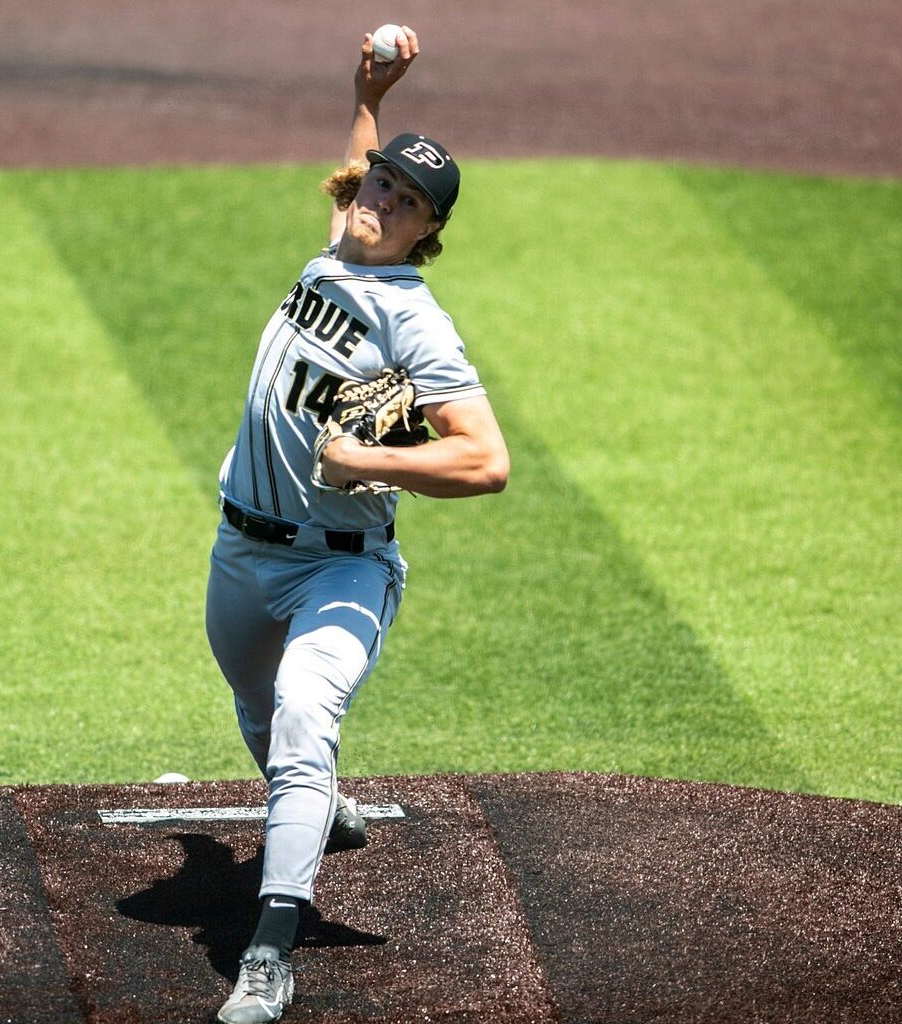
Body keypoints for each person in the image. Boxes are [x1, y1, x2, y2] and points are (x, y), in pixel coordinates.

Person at [206, 25, 510, 1024]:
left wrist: (369, 460)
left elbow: (484, 457)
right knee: (257, 711)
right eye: (376, 183)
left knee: (300, 718)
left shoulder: (413, 318)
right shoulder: (343, 244)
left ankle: (267, 948)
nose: (374, 201)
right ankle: (317, 810)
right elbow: (351, 178)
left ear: (428, 229)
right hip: (242, 552)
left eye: (401, 199)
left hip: (341, 566)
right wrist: (365, 90)